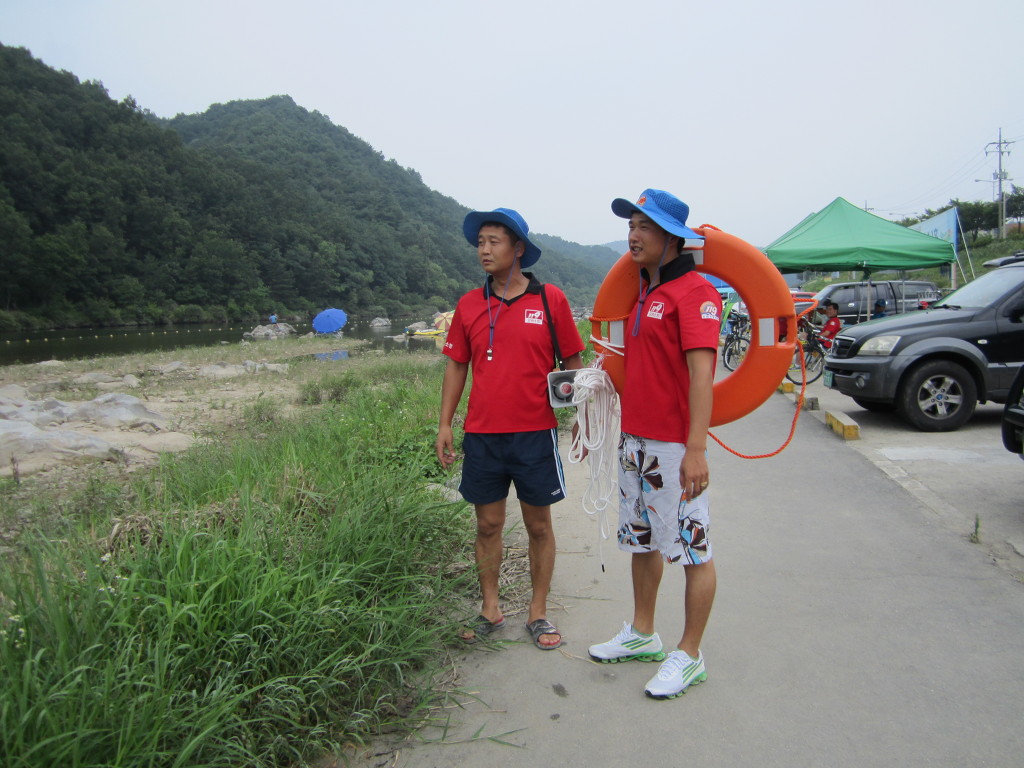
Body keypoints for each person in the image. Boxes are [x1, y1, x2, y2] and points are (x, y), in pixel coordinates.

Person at [587, 189, 721, 700]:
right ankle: (643, 633)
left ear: (672, 237)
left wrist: (696, 449)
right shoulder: (645, 290)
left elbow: (702, 376)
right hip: (635, 441)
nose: (633, 234)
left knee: (692, 548)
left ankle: (689, 654)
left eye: (645, 226)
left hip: (674, 447)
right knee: (641, 541)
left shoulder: (696, 294)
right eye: (631, 225)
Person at [436, 207, 585, 651]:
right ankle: (490, 609)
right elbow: (456, 365)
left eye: (494, 241)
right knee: (487, 524)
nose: (483, 249)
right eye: (480, 242)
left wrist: (580, 415)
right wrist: (444, 423)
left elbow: (573, 361)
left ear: (518, 248)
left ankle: (537, 612)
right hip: (483, 435)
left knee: (539, 525)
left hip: (535, 433)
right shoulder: (468, 305)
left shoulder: (550, 300)